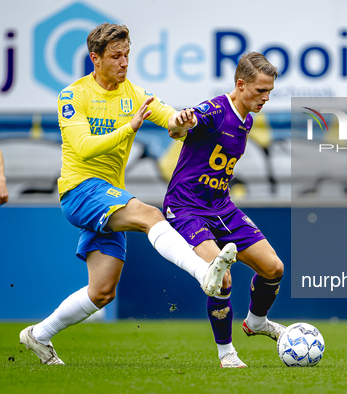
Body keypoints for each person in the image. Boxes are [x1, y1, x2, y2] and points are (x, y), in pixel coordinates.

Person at [19, 23, 236, 365]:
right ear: (96, 58)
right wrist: (130, 127)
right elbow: (84, 147)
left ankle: (38, 335)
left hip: (109, 195)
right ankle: (202, 272)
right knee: (150, 214)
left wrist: (182, 120)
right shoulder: (72, 96)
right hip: (79, 190)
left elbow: (171, 121)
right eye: (116, 56)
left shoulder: (134, 94)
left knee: (102, 292)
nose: (123, 63)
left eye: (127, 55)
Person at [163, 51, 284, 368]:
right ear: (241, 84)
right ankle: (226, 352)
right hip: (186, 207)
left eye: (270, 91)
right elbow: (182, 124)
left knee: (274, 268)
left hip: (221, 207)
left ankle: (257, 322)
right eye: (261, 91)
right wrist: (178, 123)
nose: (266, 98)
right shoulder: (215, 110)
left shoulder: (247, 118)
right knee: (223, 279)